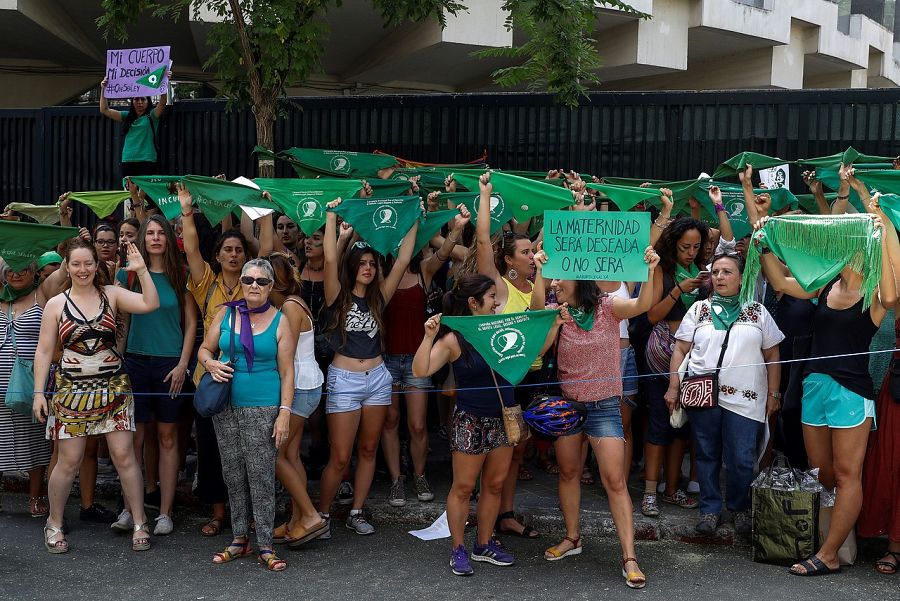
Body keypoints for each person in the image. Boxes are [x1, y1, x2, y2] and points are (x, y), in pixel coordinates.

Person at [758, 189, 897, 576]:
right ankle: (836, 539)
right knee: (825, 474)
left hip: (851, 391)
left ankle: (830, 553)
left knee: (848, 473)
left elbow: (892, 292)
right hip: (814, 385)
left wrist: (882, 224)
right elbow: (782, 284)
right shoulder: (824, 284)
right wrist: (764, 244)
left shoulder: (873, 293)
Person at [412, 274, 564, 576]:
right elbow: (421, 370)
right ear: (473, 302)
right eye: (492, 297)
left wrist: (556, 325)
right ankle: (458, 548)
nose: (497, 302)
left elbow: (535, 352)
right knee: (464, 488)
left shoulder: (504, 326)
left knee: (494, 486)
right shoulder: (454, 337)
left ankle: (483, 545)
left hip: (503, 418)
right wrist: (428, 336)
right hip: (471, 421)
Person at [530, 246, 658, 589]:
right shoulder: (557, 311)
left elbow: (642, 306)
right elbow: (538, 350)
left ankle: (630, 557)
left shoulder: (607, 306)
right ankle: (572, 538)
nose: (555, 282)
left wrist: (650, 270)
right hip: (568, 407)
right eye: (553, 277)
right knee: (569, 472)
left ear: (579, 279)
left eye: (560, 277)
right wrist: (552, 315)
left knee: (614, 481)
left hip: (604, 407)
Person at [32, 238, 160, 554]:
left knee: (124, 456)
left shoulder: (112, 295)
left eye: (88, 263)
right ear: (67, 266)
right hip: (70, 390)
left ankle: (141, 522)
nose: (83, 269)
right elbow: (45, 351)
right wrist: (38, 393)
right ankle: (54, 523)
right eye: (76, 263)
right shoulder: (56, 304)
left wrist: (143, 270)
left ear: (96, 265)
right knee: (69, 460)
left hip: (113, 388)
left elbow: (150, 304)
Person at [317, 197, 418, 536]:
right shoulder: (337, 295)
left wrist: (413, 212)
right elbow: (330, 256)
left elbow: (404, 258)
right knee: (341, 456)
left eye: (372, 263)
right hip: (344, 379)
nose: (368, 268)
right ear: (352, 267)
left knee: (369, 448)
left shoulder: (378, 297)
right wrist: (331, 216)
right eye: (362, 263)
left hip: (377, 377)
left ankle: (357, 511)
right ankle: (322, 514)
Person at [665, 252, 784, 535]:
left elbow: (773, 354)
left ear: (742, 278)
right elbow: (680, 349)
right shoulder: (698, 310)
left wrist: (774, 393)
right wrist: (673, 386)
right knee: (706, 454)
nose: (719, 277)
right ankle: (709, 510)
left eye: (727, 272)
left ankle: (740, 508)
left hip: (746, 397)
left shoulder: (757, 312)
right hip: (703, 393)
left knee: (742, 457)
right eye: (715, 272)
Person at [196, 258, 294, 571]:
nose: (254, 285)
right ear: (241, 281)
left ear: (271, 286)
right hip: (225, 405)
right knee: (233, 474)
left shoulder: (281, 321)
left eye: (261, 281)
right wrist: (210, 364)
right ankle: (240, 538)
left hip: (264, 406)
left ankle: (265, 543)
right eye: (248, 279)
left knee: (261, 475)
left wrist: (285, 413)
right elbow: (204, 349)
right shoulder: (226, 312)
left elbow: (288, 372)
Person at [382, 206, 470, 507]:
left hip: (416, 361)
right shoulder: (382, 275)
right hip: (387, 359)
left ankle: (419, 475)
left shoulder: (425, 270)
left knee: (418, 424)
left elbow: (445, 252)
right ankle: (396, 480)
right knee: (391, 420)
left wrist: (456, 229)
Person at [117, 215, 197, 536]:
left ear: (168, 238)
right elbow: (122, 322)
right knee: (133, 439)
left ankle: (165, 512)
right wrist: (118, 360)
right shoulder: (129, 275)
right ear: (141, 239)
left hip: (169, 364)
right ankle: (129, 509)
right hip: (135, 361)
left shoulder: (182, 275)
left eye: (159, 233)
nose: (154, 238)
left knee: (167, 436)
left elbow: (191, 324)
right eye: (148, 233)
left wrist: (182, 364)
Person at [177, 182, 247, 536]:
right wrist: (187, 210)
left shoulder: (255, 285)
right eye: (227, 250)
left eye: (239, 250)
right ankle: (219, 513)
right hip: (209, 378)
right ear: (217, 256)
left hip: (248, 378)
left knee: (244, 451)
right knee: (211, 450)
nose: (233, 255)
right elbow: (190, 249)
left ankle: (244, 514)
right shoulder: (206, 283)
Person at [473, 172, 541, 538]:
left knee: (518, 449)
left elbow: (540, 317)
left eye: (533, 251)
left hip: (534, 374)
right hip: (503, 378)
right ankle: (487, 512)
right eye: (526, 252)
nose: (532, 255)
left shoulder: (536, 283)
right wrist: (485, 195)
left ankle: (506, 514)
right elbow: (483, 240)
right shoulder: (498, 286)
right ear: (509, 260)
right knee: (497, 449)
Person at [642, 217, 709, 517]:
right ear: (673, 244)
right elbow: (652, 315)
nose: (691, 252)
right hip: (665, 346)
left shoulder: (704, 271)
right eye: (685, 247)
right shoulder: (664, 270)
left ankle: (671, 489)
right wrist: (679, 289)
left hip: (696, 352)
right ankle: (649, 492)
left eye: (696, 246)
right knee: (660, 419)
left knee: (682, 425)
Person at [266, 252, 328, 546]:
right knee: (290, 456)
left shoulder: (290, 307)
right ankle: (296, 520)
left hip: (301, 387)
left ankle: (310, 516)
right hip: (307, 384)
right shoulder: (293, 302)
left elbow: (285, 357)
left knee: (276, 456)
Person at [99, 76, 168, 177]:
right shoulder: (126, 116)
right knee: (130, 191)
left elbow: (163, 102)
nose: (139, 102)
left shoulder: (152, 116)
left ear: (148, 101)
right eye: (136, 99)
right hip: (128, 159)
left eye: (143, 99)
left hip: (147, 159)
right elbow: (104, 110)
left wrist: (164, 81)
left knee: (145, 192)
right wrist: (103, 88)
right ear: (132, 102)